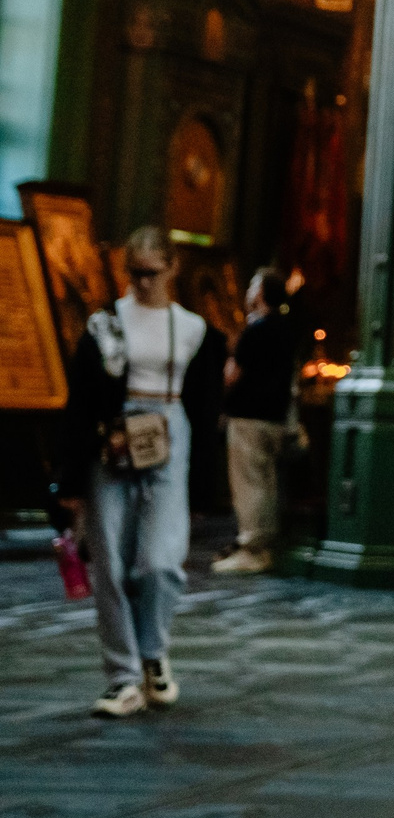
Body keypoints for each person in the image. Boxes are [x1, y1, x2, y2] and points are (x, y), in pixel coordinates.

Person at [55, 226, 226, 717]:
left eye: (152, 273)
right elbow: (81, 400)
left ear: (173, 268)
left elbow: (206, 407)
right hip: (112, 433)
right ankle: (123, 676)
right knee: (109, 560)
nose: (143, 282)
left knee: (160, 562)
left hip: (169, 428)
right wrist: (70, 480)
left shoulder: (193, 330)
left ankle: (152, 651)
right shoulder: (105, 324)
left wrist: (204, 489)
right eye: (134, 273)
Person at [213, 268, 307, 576]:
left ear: (260, 294)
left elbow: (232, 375)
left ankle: (252, 548)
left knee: (248, 484)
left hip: (248, 417)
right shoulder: (287, 330)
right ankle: (266, 544)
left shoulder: (254, 331)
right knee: (267, 484)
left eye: (253, 285)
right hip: (275, 418)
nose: (248, 290)